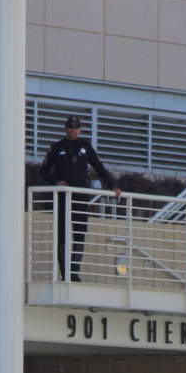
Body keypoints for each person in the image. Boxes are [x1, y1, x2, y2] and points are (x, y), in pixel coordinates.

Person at [38, 116, 121, 282]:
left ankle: (74, 272)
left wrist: (113, 185)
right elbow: (43, 171)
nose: (72, 130)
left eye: (75, 128)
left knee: (80, 233)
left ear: (80, 130)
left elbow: (99, 167)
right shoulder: (56, 147)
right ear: (65, 129)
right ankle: (65, 273)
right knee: (62, 235)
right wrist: (56, 182)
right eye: (69, 127)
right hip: (63, 196)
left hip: (81, 196)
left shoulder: (85, 146)